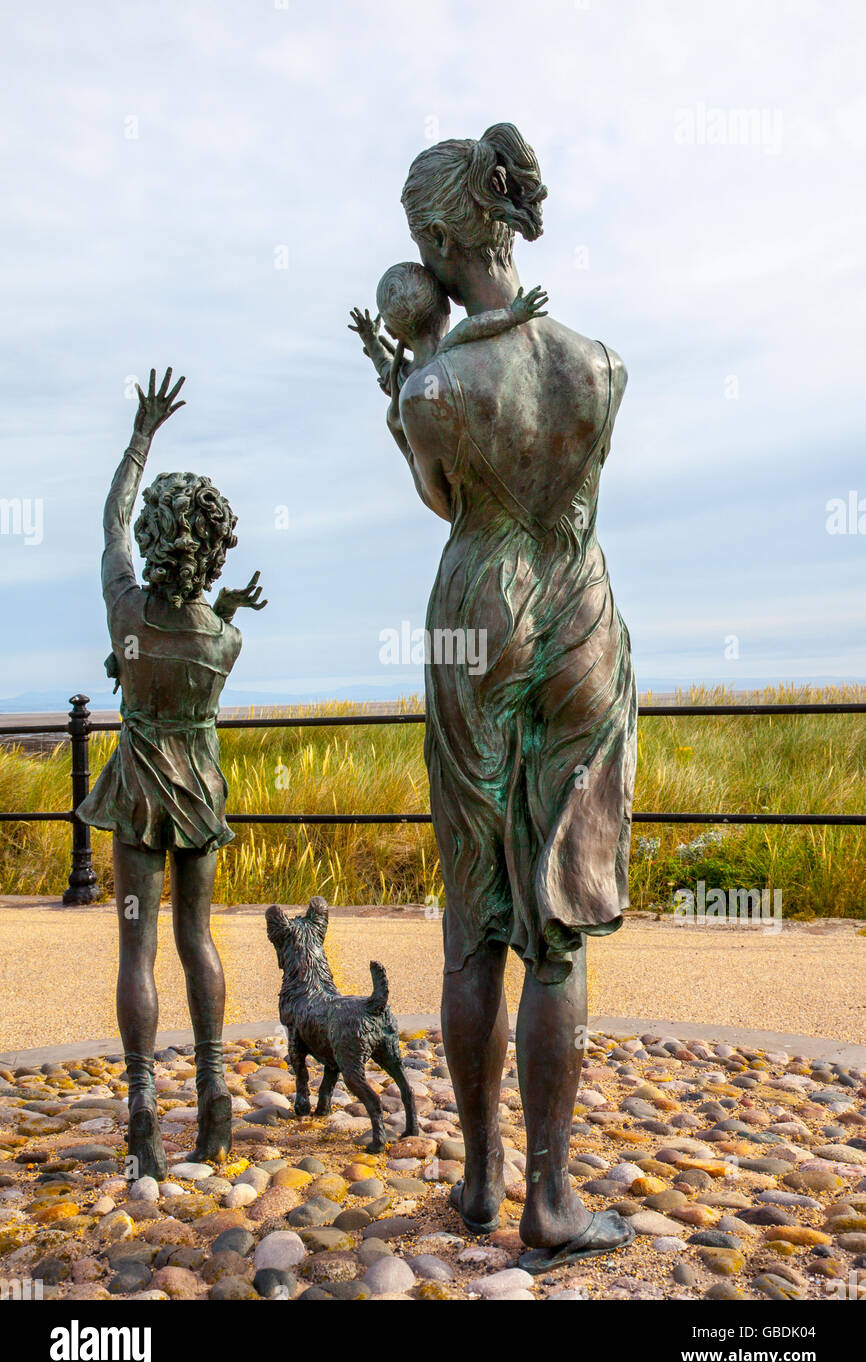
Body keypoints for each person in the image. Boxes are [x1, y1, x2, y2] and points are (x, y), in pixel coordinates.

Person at [377, 122, 637, 1271]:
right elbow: (568, 484)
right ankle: (551, 1195)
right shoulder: (596, 363)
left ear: (439, 234)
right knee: (558, 931)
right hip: (580, 609)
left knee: (474, 915)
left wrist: (402, 376)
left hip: (475, 608)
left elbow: (444, 499)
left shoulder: (433, 388)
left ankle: (482, 1178)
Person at [77, 368, 266, 1179]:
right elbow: (202, 642)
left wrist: (141, 436)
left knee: (137, 950)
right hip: (200, 789)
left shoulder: (126, 608)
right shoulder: (226, 641)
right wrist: (224, 609)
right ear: (217, 551)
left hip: (140, 787)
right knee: (198, 937)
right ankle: (216, 1092)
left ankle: (145, 1106)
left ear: (158, 540)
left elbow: (111, 520)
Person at [348, 262, 548, 393]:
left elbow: (384, 366)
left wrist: (371, 340)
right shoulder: (446, 353)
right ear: (445, 306)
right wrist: (513, 315)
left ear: (391, 333)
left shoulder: (404, 379)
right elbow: (473, 326)